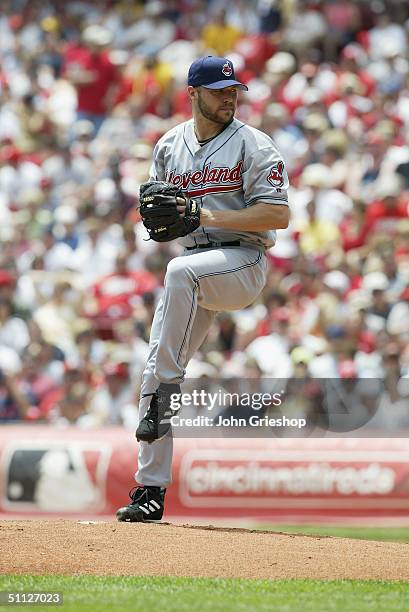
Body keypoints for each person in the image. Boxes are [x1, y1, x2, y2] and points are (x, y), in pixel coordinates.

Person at [116, 55, 290, 522]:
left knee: (179, 276)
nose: (229, 96)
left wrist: (204, 215)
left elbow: (278, 215)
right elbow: (161, 215)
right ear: (192, 93)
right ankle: (150, 491)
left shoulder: (254, 145)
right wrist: (156, 218)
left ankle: (167, 388)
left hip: (243, 260)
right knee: (152, 366)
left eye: (233, 89)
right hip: (195, 262)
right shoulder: (169, 145)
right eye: (218, 90)